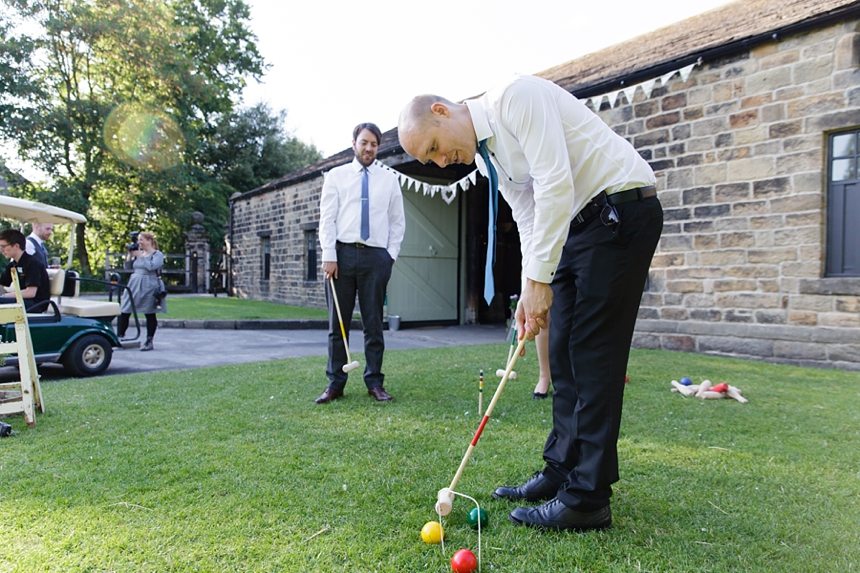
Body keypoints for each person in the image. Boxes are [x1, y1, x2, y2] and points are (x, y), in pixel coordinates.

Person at [398, 75, 663, 531]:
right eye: (432, 160)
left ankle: (588, 498)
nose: (443, 162)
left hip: (619, 212)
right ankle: (561, 470)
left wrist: (541, 278)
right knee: (560, 354)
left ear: (442, 111)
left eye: (437, 148)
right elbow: (527, 212)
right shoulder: (486, 159)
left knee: (593, 356)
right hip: (576, 228)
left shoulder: (515, 99)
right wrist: (529, 287)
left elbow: (555, 181)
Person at [315, 122, 406, 404]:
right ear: (354, 142)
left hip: (375, 257)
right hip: (341, 256)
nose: (369, 148)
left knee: (373, 323)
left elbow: (397, 222)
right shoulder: (336, 176)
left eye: (374, 144)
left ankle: (375, 382)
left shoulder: (389, 179)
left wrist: (389, 257)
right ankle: (335, 384)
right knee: (337, 324)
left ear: (378, 147)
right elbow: (327, 218)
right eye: (364, 142)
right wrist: (329, 254)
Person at [116, 231, 165, 352]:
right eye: (138, 240)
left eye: (141, 240)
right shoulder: (139, 253)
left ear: (149, 241)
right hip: (134, 283)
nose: (139, 242)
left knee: (149, 312)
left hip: (149, 284)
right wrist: (130, 255)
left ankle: (149, 341)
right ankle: (120, 337)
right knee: (125, 309)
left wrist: (140, 256)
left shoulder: (157, 255)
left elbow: (151, 267)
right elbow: (127, 267)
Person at [0, 228, 51, 311]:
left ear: (16, 246)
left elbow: (30, 293)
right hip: (23, 301)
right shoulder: (13, 265)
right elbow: (2, 285)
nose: (1, 250)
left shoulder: (33, 264)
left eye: (3, 246)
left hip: (36, 304)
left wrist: (4, 296)